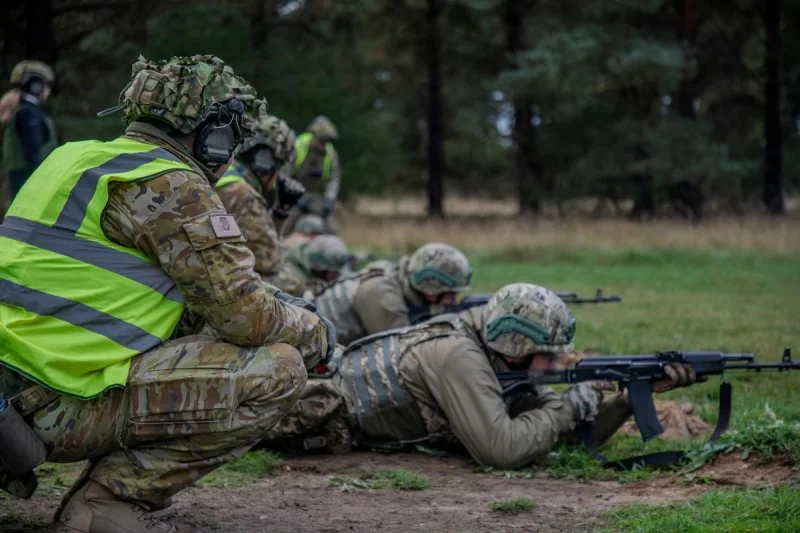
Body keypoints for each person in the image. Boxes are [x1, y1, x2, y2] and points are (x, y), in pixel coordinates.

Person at [0, 55, 334, 533]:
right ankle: (105, 507)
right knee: (279, 368)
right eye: (231, 136)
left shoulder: (73, 157)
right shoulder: (174, 182)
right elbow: (247, 317)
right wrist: (317, 331)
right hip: (54, 398)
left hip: (14, 386)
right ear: (211, 132)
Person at [263, 283, 702, 469]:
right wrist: (567, 406)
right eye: (546, 355)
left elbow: (561, 436)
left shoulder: (494, 353)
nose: (556, 364)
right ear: (515, 349)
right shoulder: (458, 356)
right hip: (303, 411)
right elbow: (502, 449)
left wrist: (627, 398)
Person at [311, 242, 471, 347]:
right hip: (313, 348)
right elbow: (401, 351)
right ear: (431, 289)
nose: (453, 300)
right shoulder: (383, 294)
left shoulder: (399, 280)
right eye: (450, 294)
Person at [214, 114, 306, 293]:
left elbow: (253, 239)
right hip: (221, 283)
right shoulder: (243, 195)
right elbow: (268, 262)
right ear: (267, 163)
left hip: (211, 272)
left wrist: (280, 213)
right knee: (294, 286)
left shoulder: (220, 172)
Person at [1, 60, 58, 199]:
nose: (48, 90)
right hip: (28, 177)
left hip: (22, 176)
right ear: (35, 85)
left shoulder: (24, 109)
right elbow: (33, 150)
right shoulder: (28, 112)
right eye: (46, 85)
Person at [283, 115, 341, 234]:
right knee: (285, 224)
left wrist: (329, 199)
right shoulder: (298, 145)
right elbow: (284, 173)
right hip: (292, 196)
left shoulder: (330, 153)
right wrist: (291, 195)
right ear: (313, 135)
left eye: (325, 142)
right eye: (320, 141)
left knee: (330, 225)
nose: (322, 145)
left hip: (315, 197)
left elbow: (334, 178)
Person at [284, 234, 350, 298]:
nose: (332, 277)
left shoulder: (336, 265)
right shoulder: (291, 269)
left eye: (335, 273)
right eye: (328, 272)